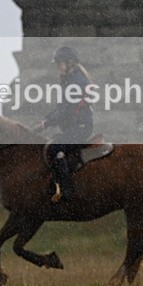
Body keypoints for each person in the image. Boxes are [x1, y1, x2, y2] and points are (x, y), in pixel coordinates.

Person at [37, 46, 94, 202]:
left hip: (80, 127)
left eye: (59, 63)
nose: (57, 66)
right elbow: (61, 107)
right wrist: (45, 120)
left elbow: (67, 111)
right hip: (74, 127)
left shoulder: (76, 82)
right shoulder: (69, 80)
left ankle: (67, 192)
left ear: (69, 63)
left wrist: (48, 122)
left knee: (55, 148)